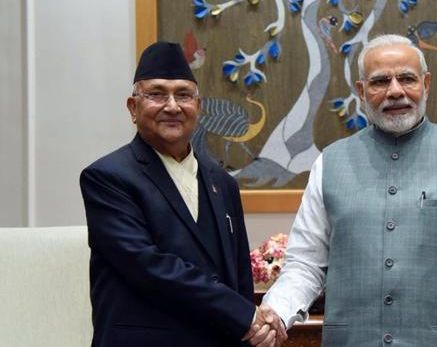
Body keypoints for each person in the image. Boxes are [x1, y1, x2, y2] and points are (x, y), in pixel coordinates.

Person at [262, 34, 437, 346]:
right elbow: (305, 263)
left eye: (407, 78)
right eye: (380, 82)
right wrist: (277, 311)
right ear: (361, 91)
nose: (395, 91)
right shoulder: (330, 163)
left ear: (426, 84)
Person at [80, 41, 286, 347]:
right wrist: (244, 316)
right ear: (133, 108)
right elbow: (149, 266)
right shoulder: (108, 178)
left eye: (184, 95)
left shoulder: (222, 182)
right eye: (157, 94)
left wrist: (252, 329)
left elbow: (238, 276)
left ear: (198, 108)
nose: (173, 106)